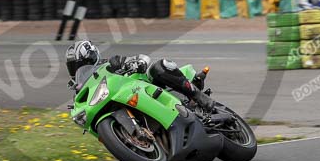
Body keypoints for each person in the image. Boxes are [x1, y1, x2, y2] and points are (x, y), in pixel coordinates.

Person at [64, 40, 216, 111]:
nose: (79, 68)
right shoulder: (81, 91)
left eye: (82, 62)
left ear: (92, 56)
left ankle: (198, 96)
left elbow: (141, 58)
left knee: (158, 67)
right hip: (119, 101)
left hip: (144, 87)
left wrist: (137, 62)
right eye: (74, 66)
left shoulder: (110, 63)